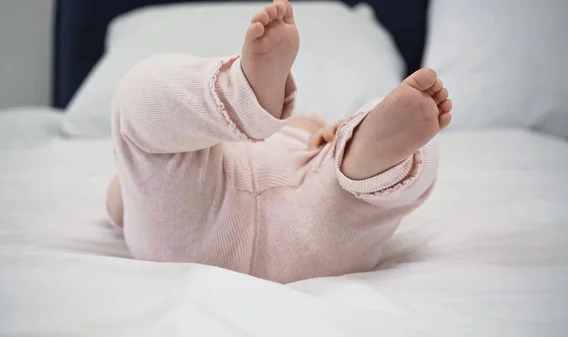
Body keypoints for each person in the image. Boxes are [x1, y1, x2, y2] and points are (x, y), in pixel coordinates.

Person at [106, 0, 452, 283]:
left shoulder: (318, 128)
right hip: (309, 239)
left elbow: (125, 201)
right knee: (387, 177)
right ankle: (368, 160)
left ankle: (359, 155)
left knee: (137, 99)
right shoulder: (303, 127)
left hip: (196, 233)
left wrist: (334, 138)